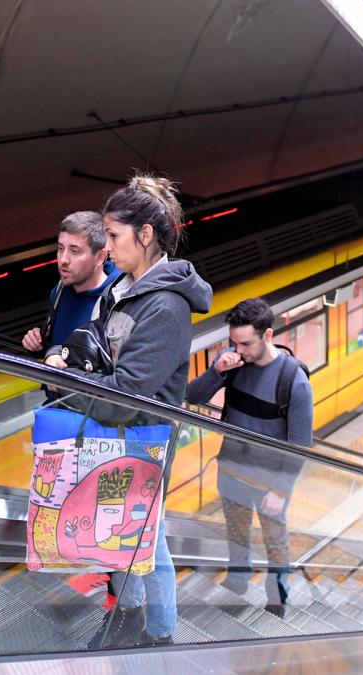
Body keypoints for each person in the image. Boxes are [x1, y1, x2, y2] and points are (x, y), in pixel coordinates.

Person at [45, 174, 212, 648]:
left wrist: (68, 379)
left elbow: (127, 392)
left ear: (145, 235)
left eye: (114, 237)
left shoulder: (165, 306)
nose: (108, 247)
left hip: (144, 438)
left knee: (147, 540)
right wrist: (69, 356)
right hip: (119, 437)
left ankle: (160, 635)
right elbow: (93, 348)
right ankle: (131, 609)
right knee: (126, 531)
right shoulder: (126, 287)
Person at [185, 298, 313, 617]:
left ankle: (277, 599)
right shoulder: (233, 364)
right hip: (231, 471)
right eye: (234, 342)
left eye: (246, 343)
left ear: (267, 335)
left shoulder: (293, 381)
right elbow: (191, 396)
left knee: (275, 542)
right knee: (237, 533)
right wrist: (217, 371)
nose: (238, 350)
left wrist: (280, 490)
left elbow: (300, 443)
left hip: (269, 482)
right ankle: (238, 584)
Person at [21, 211, 121, 354]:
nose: (63, 260)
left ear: (100, 257)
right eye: (61, 249)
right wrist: (38, 344)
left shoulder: (116, 303)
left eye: (74, 251)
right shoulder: (60, 290)